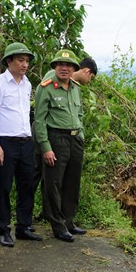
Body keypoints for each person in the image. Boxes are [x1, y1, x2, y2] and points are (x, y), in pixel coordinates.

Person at [33, 49, 95, 242]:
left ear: (74, 69)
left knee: (71, 182)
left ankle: (69, 221)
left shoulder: (76, 88)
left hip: (75, 139)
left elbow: (80, 115)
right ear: (55, 67)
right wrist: (46, 147)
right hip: (56, 139)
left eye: (68, 65)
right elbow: (39, 120)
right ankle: (58, 226)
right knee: (54, 183)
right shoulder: (46, 87)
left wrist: (81, 135)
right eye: (60, 64)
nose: (64, 68)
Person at [0, 42, 43, 247]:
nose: (25, 64)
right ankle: (3, 229)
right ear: (9, 61)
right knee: (4, 187)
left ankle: (23, 226)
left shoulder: (27, 84)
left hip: (25, 141)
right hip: (5, 141)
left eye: (27, 61)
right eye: (20, 60)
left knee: (27, 185)